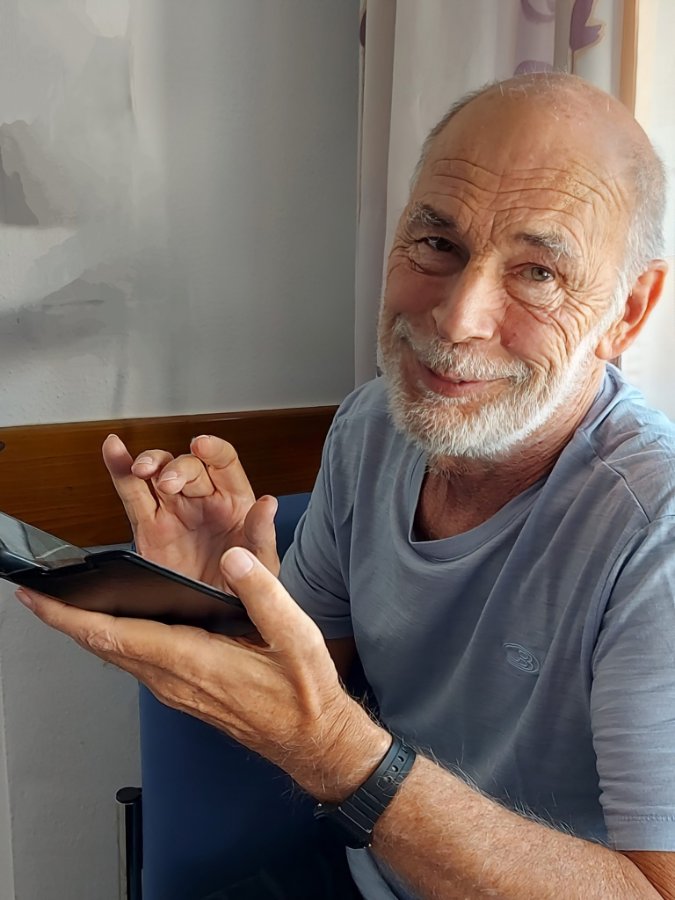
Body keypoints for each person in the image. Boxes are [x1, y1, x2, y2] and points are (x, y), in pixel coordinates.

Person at [15, 72, 675, 899]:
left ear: (627, 311)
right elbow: (301, 686)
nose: (457, 318)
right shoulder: (371, 427)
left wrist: (341, 756)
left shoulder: (653, 532)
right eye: (437, 244)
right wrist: (225, 601)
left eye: (537, 272)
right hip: (360, 873)